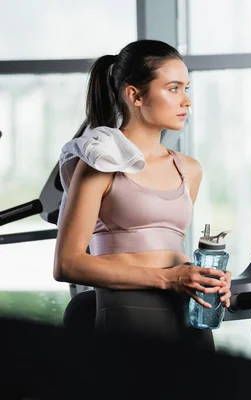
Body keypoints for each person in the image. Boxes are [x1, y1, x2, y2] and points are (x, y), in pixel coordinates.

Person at [53, 39, 231, 349]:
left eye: (186, 89)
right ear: (135, 95)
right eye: (173, 88)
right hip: (128, 316)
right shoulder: (100, 161)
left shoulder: (189, 169)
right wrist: (167, 278)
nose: (186, 101)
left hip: (189, 317)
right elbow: (67, 265)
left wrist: (205, 278)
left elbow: (168, 248)